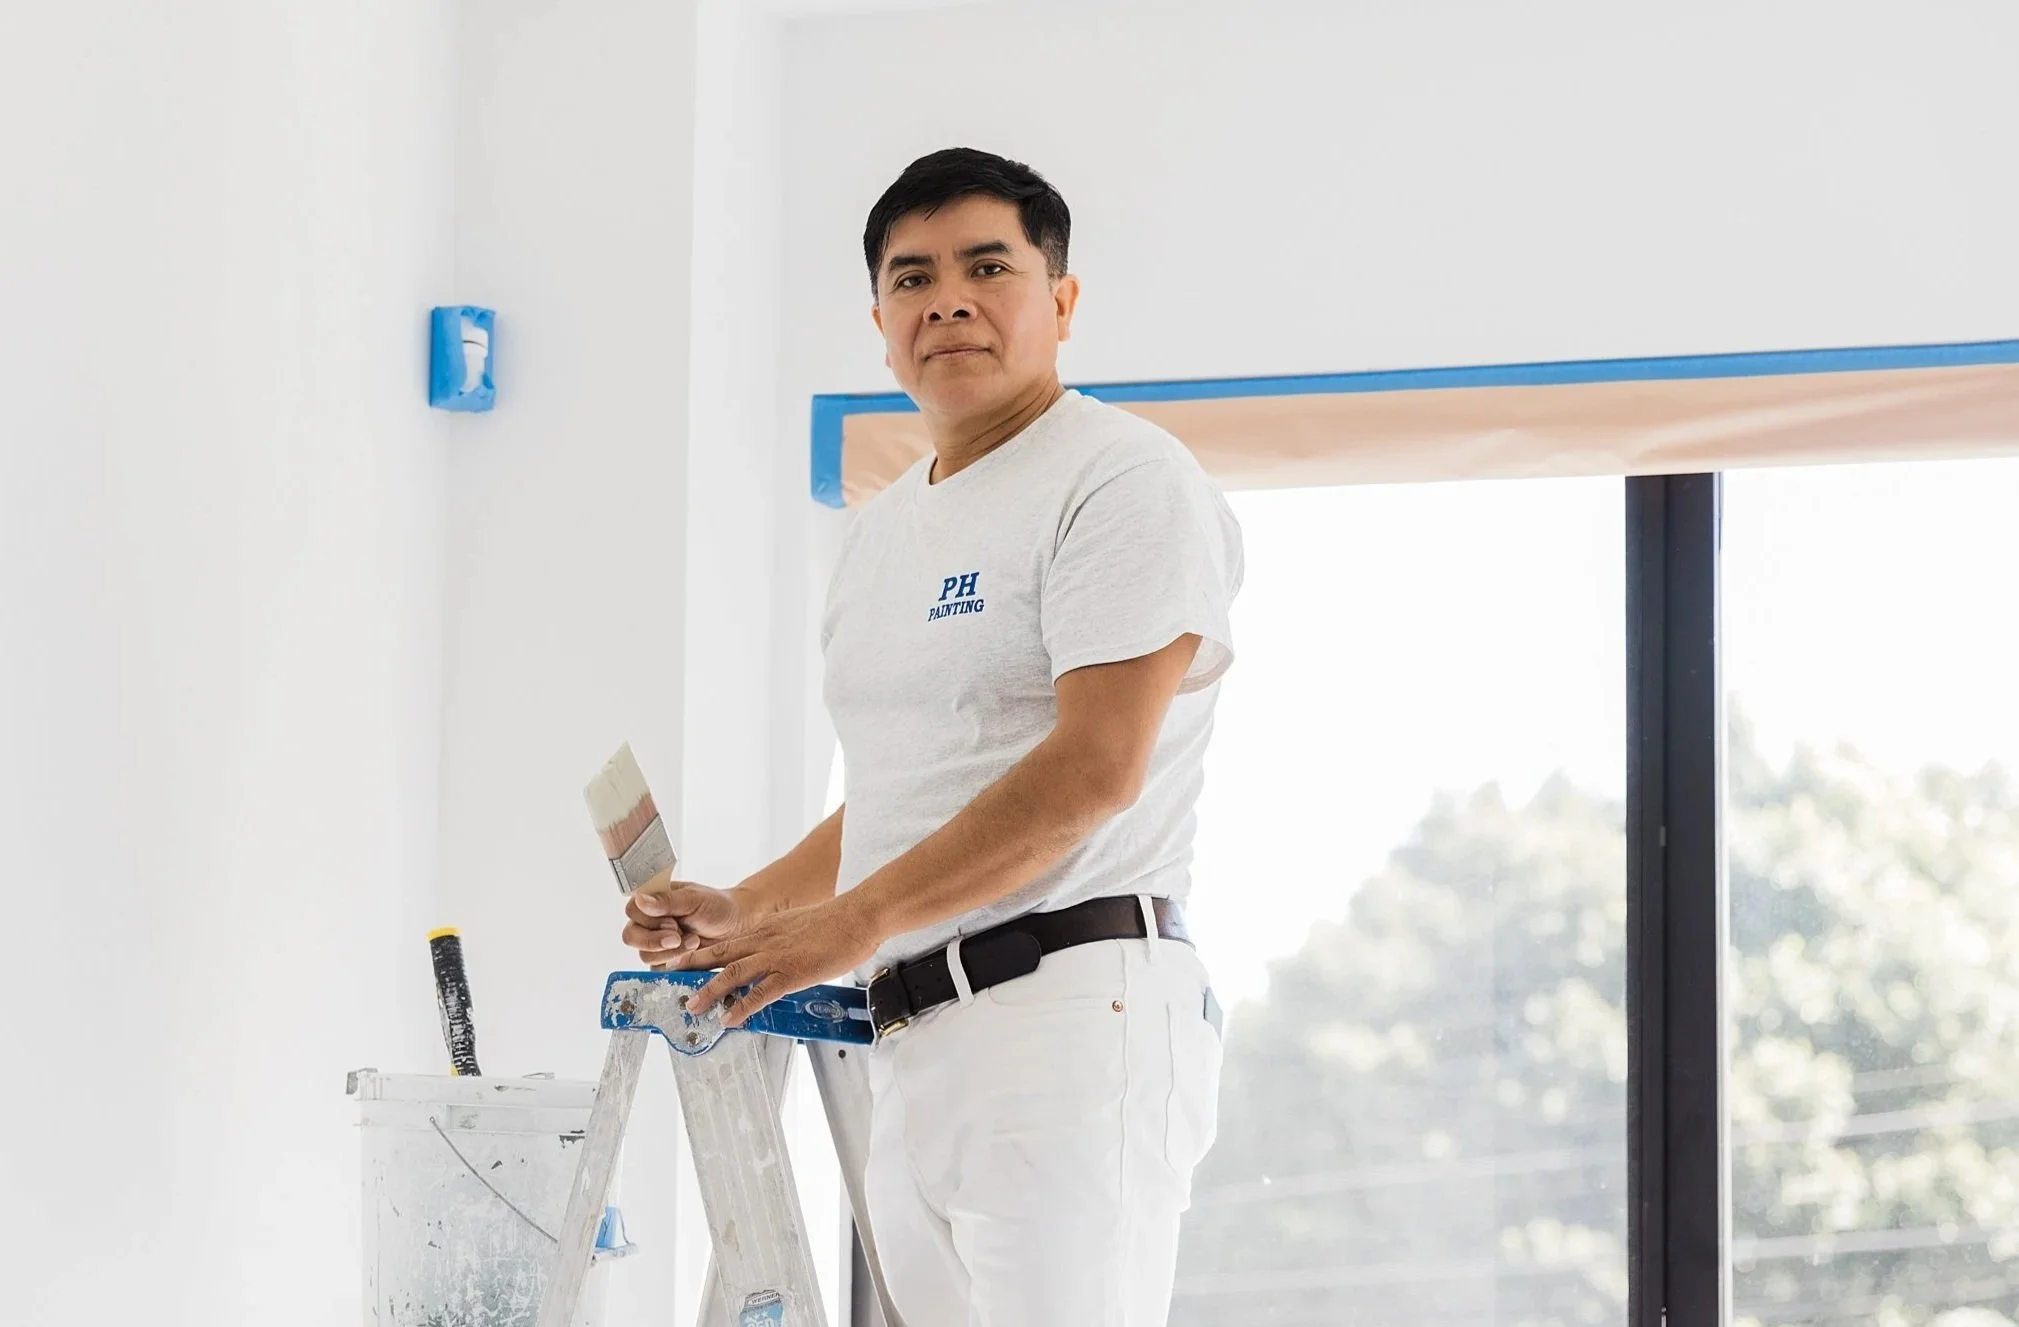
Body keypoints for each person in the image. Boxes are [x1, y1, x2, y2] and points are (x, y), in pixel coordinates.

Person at [621, 146, 1244, 1326]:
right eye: (911, 279)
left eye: (985, 266)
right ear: (880, 322)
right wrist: (749, 910)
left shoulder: (1121, 480)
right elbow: (910, 794)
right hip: (910, 1032)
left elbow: (1092, 769)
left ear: (1059, 301)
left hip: (1071, 1015)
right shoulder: (883, 531)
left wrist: (849, 921)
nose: (945, 298)